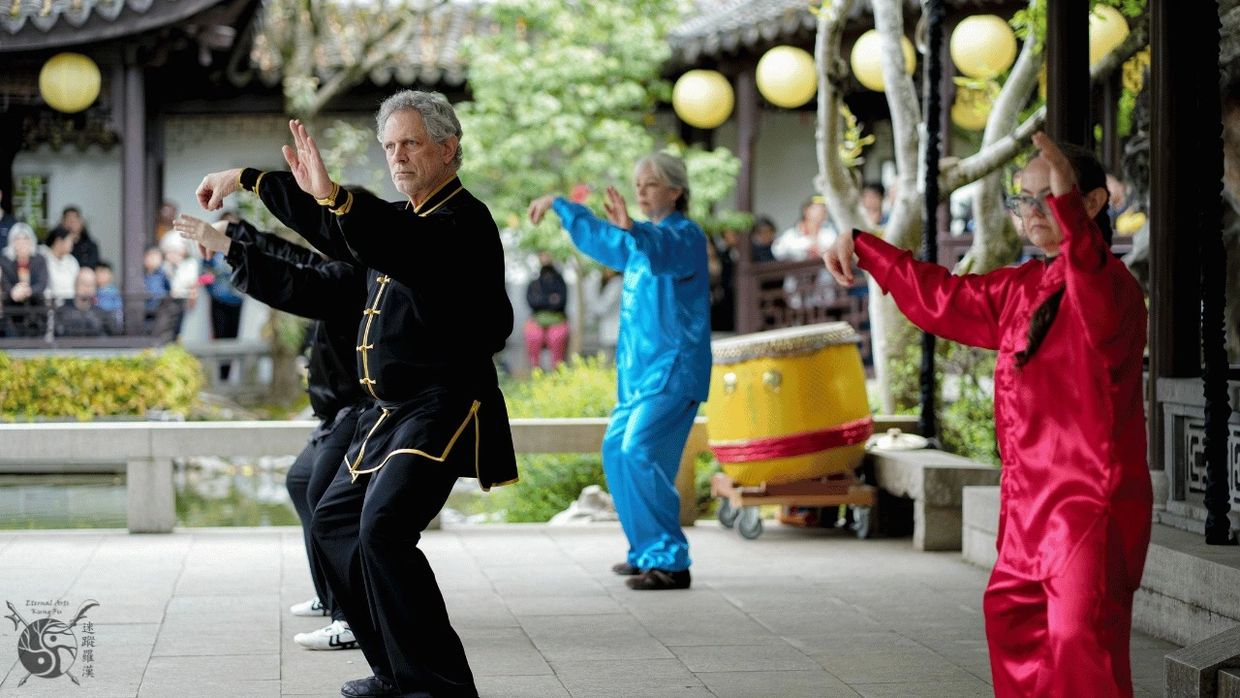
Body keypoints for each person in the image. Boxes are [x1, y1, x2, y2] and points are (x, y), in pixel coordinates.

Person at [194, 89, 517, 698]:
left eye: (411, 143)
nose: (397, 156)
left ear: (449, 150)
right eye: (389, 146)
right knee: (335, 521)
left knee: (384, 528)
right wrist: (249, 180)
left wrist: (334, 197)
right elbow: (333, 240)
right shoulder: (398, 221)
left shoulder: (461, 221)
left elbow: (387, 239)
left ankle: (438, 686)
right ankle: (394, 672)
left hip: (445, 402)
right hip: (392, 413)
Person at [824, 132, 1151, 697]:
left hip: (1090, 504)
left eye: (1048, 197)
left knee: (1078, 641)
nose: (1032, 212)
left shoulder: (1112, 289)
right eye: (1023, 199)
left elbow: (1090, 289)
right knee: (1015, 632)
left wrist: (1068, 209)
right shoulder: (1023, 286)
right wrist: (866, 248)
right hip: (1026, 503)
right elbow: (943, 298)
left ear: (1090, 204)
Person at [176, 212, 369, 654]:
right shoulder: (339, 264)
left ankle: (352, 619)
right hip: (337, 411)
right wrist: (240, 234)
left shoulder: (352, 274)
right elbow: (295, 258)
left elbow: (293, 281)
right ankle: (331, 596)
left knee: (328, 500)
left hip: (358, 410)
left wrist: (228, 247)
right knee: (303, 482)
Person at [528, 151, 711, 591]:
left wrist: (635, 229)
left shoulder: (684, 236)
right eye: (638, 183)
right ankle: (646, 551)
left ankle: (670, 559)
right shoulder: (637, 239)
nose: (641, 190)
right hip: (639, 375)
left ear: (676, 190)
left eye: (650, 183)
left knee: (637, 452)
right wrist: (560, 204)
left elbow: (662, 250)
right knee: (617, 450)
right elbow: (602, 240)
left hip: (674, 368)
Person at [0, 223, 49, 337]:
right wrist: (13, 291)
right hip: (12, 309)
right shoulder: (4, 260)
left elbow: (42, 283)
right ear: (12, 241)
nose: (22, 242)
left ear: (31, 240)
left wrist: (27, 291)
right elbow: (4, 282)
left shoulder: (39, 259)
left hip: (36, 307)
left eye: (25, 238)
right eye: (18, 239)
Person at [524, 251, 569, 370]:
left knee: (557, 337)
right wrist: (550, 299)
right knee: (533, 336)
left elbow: (561, 302)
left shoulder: (560, 280)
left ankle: (557, 373)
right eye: (542, 255)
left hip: (557, 320)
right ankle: (536, 371)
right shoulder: (534, 281)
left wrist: (541, 300)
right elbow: (532, 302)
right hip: (537, 320)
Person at [54, 268, 121, 337]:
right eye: (84, 283)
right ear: (75, 285)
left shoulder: (101, 315)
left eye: (91, 285)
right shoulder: (62, 313)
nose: (87, 288)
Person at [42, 226, 80, 304]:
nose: (72, 244)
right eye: (69, 240)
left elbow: (78, 283)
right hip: (50, 304)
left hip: (71, 304)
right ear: (58, 241)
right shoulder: (43, 258)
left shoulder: (72, 261)